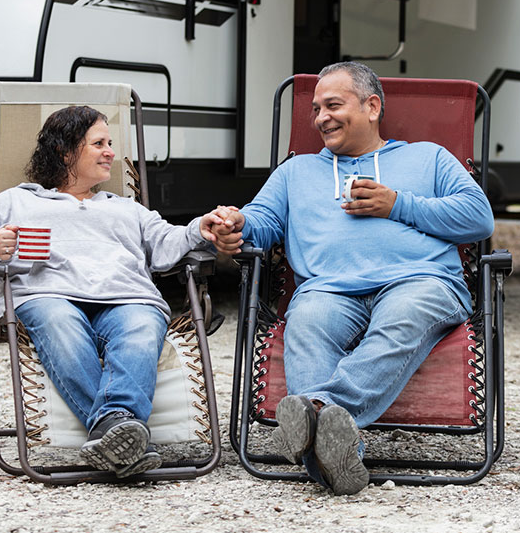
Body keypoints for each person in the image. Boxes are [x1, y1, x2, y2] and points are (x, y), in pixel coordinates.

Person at [208, 61, 494, 494]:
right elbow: (261, 221)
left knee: (402, 316)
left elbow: (478, 218)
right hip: (328, 288)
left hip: (420, 281)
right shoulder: (296, 172)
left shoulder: (429, 157)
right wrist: (237, 225)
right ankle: (341, 452)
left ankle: (316, 412)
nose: (320, 118)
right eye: (316, 109)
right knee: (307, 321)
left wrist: (397, 204)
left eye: (333, 105)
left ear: (372, 107)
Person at [0, 106, 226, 478]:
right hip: (49, 296)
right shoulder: (15, 202)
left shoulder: (125, 208)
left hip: (127, 298)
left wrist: (199, 227)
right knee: (60, 321)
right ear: (65, 152)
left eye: (110, 143)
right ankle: (122, 431)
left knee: (143, 325)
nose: (111, 152)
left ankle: (112, 428)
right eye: (99, 144)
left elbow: (166, 243)